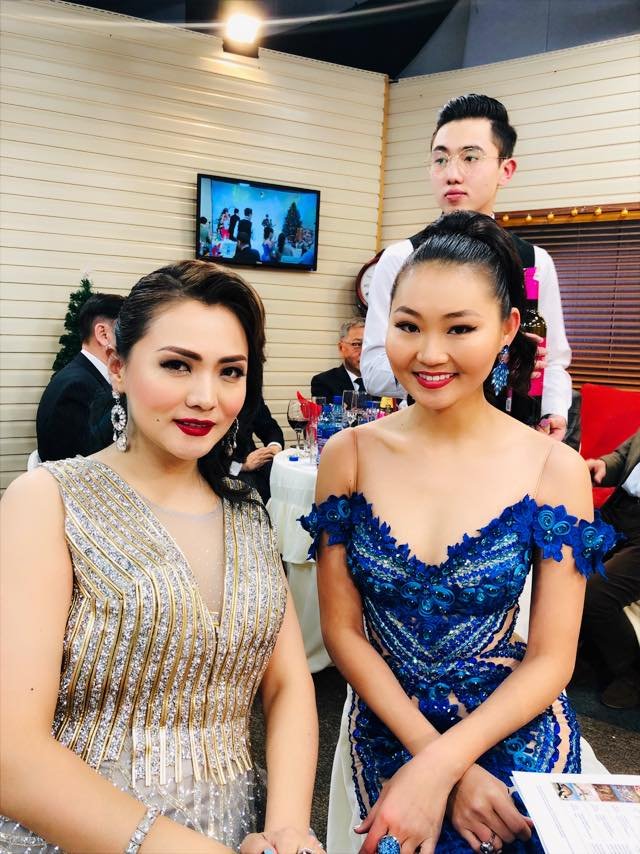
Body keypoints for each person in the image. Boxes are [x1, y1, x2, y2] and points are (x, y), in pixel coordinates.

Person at [301, 212, 616, 854]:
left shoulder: (552, 468)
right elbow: (343, 632)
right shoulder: (348, 455)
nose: (429, 354)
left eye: (460, 328)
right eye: (408, 326)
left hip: (510, 719)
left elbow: (553, 658)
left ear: (507, 330)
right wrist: (434, 763)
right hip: (390, 718)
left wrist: (448, 764)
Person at [1, 260, 320, 854]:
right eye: (177, 365)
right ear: (119, 367)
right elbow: (12, 757)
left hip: (234, 822)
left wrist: (287, 829)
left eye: (230, 371)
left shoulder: (246, 510)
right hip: (81, 833)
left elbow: (288, 685)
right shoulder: (48, 501)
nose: (205, 397)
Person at [362, 93, 572, 440]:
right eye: (440, 159)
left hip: (515, 438)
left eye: (470, 157)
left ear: (506, 170)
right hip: (423, 436)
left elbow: (553, 362)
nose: (452, 174)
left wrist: (554, 412)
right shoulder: (401, 258)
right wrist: (477, 367)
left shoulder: (535, 262)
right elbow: (373, 369)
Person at [579, 430, 640, 709]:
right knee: (565, 566)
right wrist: (604, 465)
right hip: (621, 509)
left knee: (595, 595)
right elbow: (625, 455)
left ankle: (631, 672)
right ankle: (586, 653)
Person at [36, 292, 124, 462]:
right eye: (127, 330)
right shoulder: (77, 387)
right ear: (103, 334)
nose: (135, 339)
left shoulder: (80, 375)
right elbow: (79, 461)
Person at [230, 395, 284, 504]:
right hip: (222, 472)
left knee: (285, 479)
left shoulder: (250, 393)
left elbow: (269, 427)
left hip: (254, 462)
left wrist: (273, 447)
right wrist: (241, 466)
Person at [311, 319, 367, 400]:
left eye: (368, 346)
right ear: (341, 348)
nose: (364, 351)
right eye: (357, 344)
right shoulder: (324, 381)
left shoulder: (382, 381)